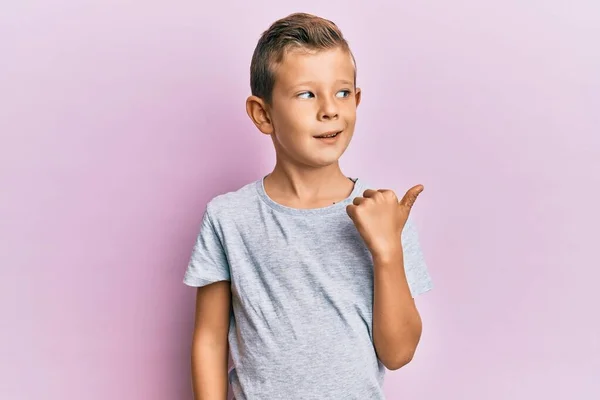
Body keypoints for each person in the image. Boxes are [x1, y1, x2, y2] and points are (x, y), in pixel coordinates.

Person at [183, 12, 433, 400]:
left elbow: (399, 353)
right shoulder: (228, 218)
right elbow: (210, 342)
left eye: (342, 92)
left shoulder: (385, 215)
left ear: (357, 100)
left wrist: (387, 252)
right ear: (262, 114)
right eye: (306, 94)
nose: (329, 109)